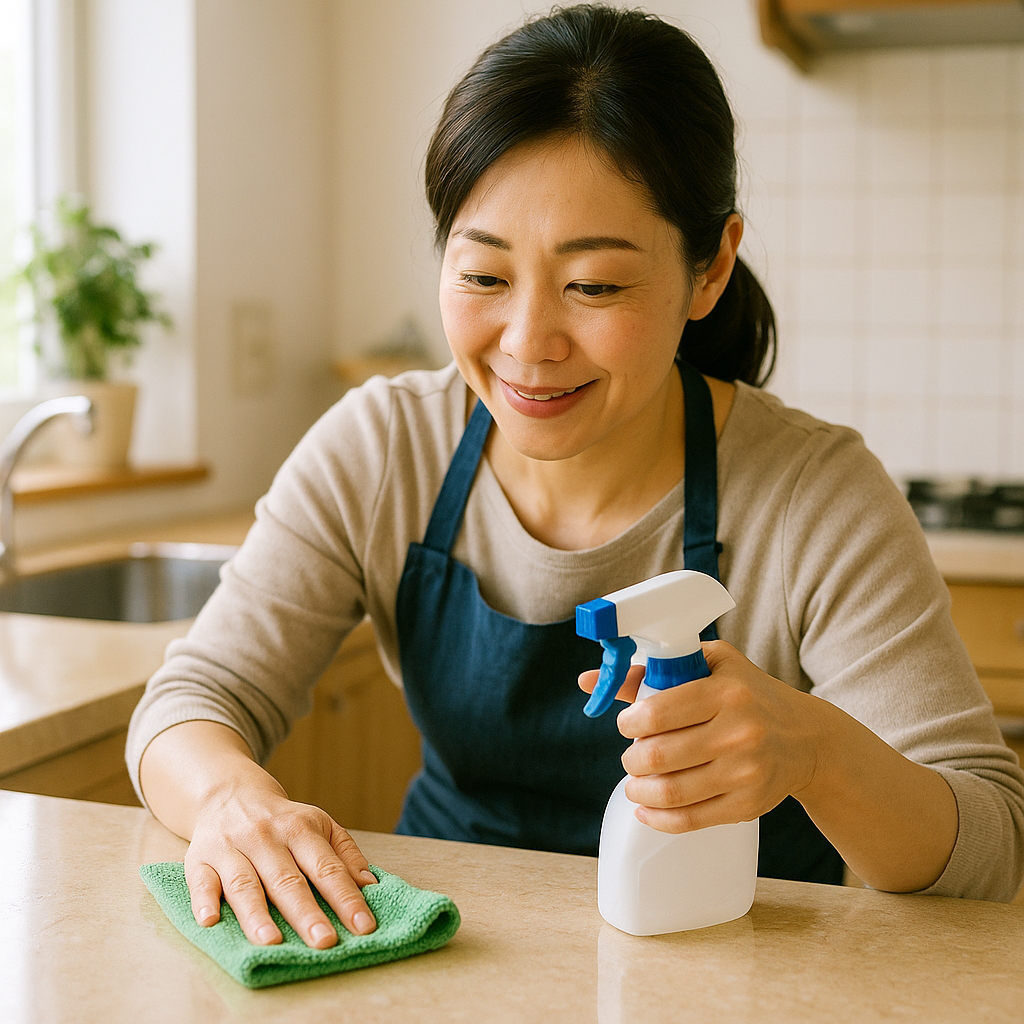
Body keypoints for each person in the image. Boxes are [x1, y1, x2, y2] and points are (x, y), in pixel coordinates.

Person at [127, 4, 1024, 950]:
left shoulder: (815, 495)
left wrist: (816, 751)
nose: (527, 346)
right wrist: (233, 799)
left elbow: (991, 848)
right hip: (449, 957)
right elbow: (191, 702)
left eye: (594, 286)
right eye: (483, 277)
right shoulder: (385, 447)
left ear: (710, 267)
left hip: (738, 974)